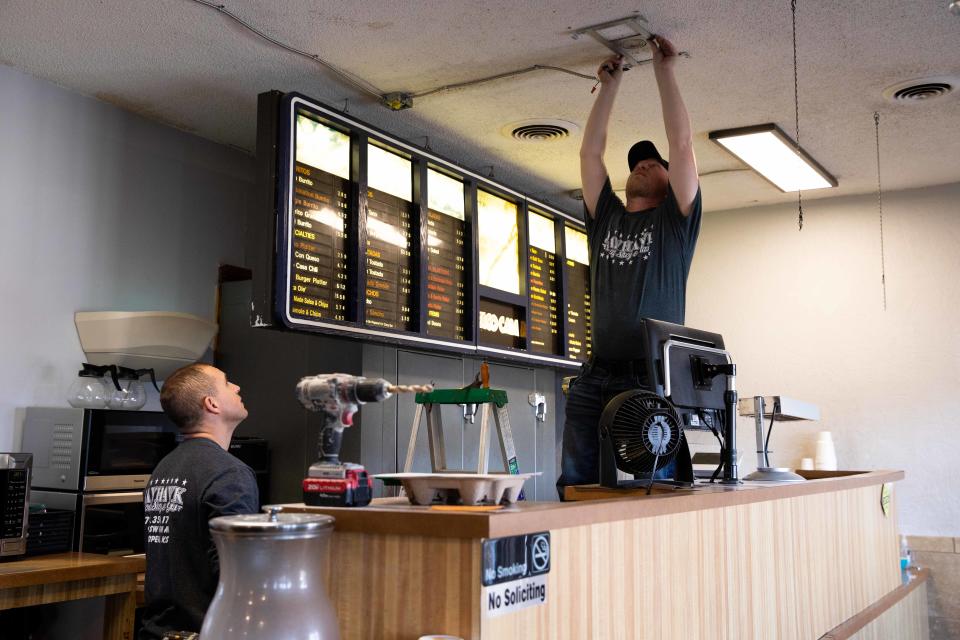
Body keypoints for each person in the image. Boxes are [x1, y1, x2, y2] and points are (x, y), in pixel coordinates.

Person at [557, 36, 702, 497]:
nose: (642, 164)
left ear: (670, 177)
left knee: (647, 491)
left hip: (649, 377)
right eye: (636, 161)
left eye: (652, 163)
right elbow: (588, 155)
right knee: (576, 486)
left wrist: (665, 71)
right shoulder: (607, 218)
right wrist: (608, 86)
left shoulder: (675, 222)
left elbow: (681, 145)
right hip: (594, 373)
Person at [140, 364, 260, 640]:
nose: (237, 387)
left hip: (159, 631)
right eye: (228, 382)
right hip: (207, 631)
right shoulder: (229, 472)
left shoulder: (165, 468)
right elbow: (235, 569)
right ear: (212, 404)